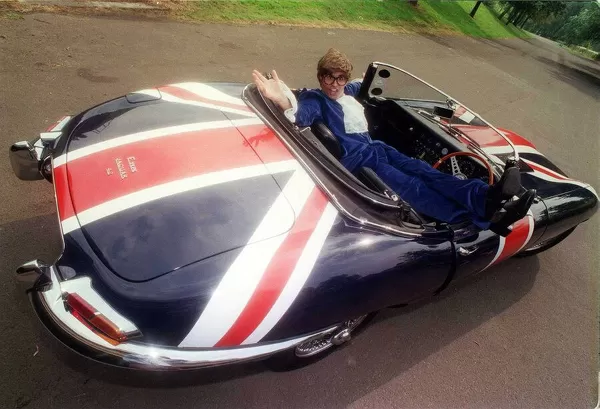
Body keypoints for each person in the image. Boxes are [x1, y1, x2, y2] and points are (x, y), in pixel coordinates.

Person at [252, 48, 535, 236]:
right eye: (328, 77)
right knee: (412, 185)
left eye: (339, 78)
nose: (334, 84)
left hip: (377, 149)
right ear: (320, 76)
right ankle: (480, 218)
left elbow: (362, 84)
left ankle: (485, 196)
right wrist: (283, 99)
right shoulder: (316, 99)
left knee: (425, 170)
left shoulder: (347, 90)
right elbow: (301, 114)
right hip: (360, 160)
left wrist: (371, 78)